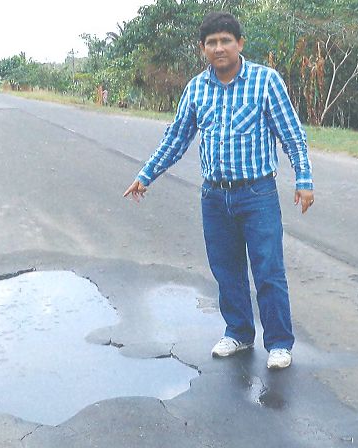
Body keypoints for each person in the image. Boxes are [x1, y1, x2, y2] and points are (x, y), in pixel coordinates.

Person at [123, 11, 314, 370]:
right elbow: (177, 138)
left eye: (226, 40)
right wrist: (146, 175)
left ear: (240, 44)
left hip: (257, 194)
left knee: (268, 269)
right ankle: (239, 333)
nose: (219, 47)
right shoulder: (196, 88)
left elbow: (292, 135)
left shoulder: (265, 82)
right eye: (212, 42)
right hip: (214, 196)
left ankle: (278, 343)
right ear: (203, 49)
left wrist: (304, 181)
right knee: (226, 270)